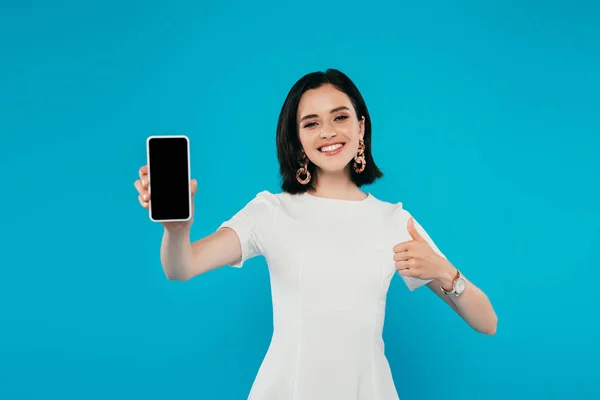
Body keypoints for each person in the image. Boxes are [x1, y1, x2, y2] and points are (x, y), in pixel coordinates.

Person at [133, 69, 498, 400]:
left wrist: (445, 271)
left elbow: (487, 322)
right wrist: (177, 229)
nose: (327, 131)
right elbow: (182, 267)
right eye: (311, 123)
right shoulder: (271, 212)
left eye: (340, 117)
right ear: (298, 139)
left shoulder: (393, 221)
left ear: (361, 127)